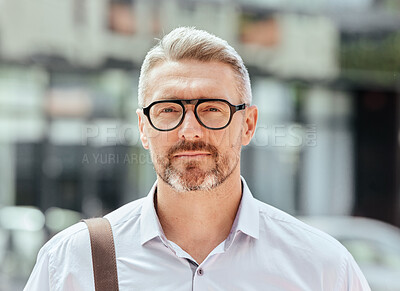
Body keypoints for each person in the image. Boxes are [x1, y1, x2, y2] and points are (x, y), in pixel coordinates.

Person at [24, 27, 370, 290]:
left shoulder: (322, 267)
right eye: (169, 109)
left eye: (212, 109)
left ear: (248, 124)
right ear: (144, 127)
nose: (190, 130)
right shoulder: (71, 262)